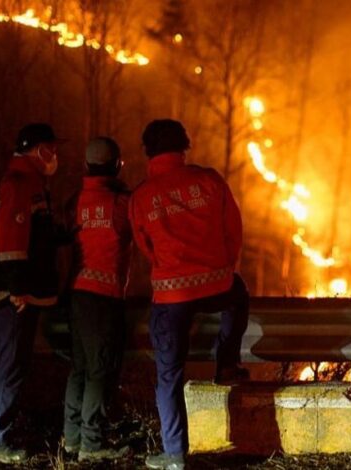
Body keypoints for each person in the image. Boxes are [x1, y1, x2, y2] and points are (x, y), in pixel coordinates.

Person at [128, 119, 250, 470]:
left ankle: (174, 454)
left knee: (169, 375)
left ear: (149, 151)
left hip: (171, 296)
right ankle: (226, 362)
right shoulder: (209, 180)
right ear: (185, 146)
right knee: (238, 294)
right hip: (218, 285)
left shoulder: (141, 197)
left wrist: (170, 272)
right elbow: (233, 228)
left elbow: (145, 246)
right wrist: (224, 267)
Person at [0, 123, 64, 464]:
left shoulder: (30, 183)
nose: (56, 155)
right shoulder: (20, 183)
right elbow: (11, 242)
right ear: (38, 150)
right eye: (51, 148)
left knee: (15, 365)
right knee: (11, 365)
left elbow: (38, 235)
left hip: (23, 294)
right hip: (14, 296)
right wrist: (17, 289)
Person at [62, 137, 131, 461]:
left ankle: (72, 438)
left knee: (80, 367)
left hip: (77, 294)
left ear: (87, 166)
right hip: (105, 297)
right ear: (117, 164)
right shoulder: (122, 204)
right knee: (100, 370)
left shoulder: (74, 201)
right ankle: (92, 444)